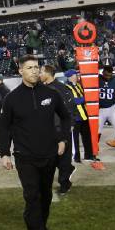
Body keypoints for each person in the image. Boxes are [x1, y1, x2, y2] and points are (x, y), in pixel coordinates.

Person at [0, 55, 71, 230]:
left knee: (45, 196)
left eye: (36, 67)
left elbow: (66, 117)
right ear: (20, 71)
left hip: (49, 155)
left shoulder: (51, 93)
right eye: (29, 67)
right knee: (32, 197)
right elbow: (4, 127)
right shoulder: (11, 99)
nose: (34, 71)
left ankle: (41, 228)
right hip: (25, 156)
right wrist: (4, 153)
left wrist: (62, 138)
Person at [39, 65, 76, 194]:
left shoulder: (61, 88)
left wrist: (69, 126)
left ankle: (65, 183)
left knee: (63, 157)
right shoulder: (41, 88)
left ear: (48, 73)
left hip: (61, 128)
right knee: (50, 157)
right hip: (47, 129)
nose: (39, 74)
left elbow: (70, 108)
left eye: (41, 72)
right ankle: (68, 170)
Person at [63, 70, 94, 163]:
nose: (78, 76)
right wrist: (87, 97)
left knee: (87, 137)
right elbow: (74, 101)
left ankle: (89, 155)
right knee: (74, 139)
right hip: (75, 117)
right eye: (76, 75)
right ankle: (76, 158)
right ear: (71, 76)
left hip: (84, 116)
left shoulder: (79, 85)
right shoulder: (66, 87)